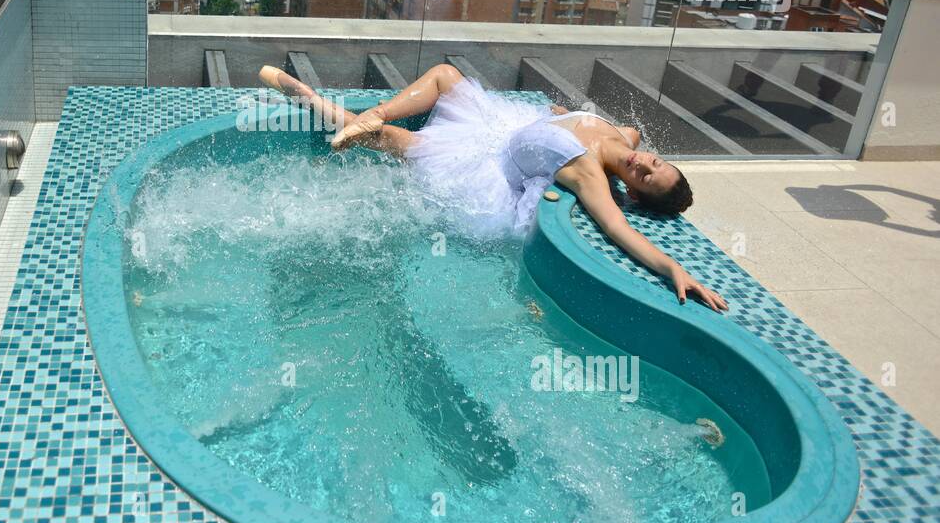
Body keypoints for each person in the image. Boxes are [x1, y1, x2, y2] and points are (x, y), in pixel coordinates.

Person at [258, 63, 729, 313]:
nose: (643, 162)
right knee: (445, 74)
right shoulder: (624, 138)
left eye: (644, 177)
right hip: (503, 127)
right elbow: (633, 134)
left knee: (406, 143)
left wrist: (672, 270)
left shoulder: (588, 173)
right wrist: (559, 115)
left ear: (631, 192)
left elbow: (618, 231)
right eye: (655, 162)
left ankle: (323, 107)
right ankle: (373, 113)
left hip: (488, 168)